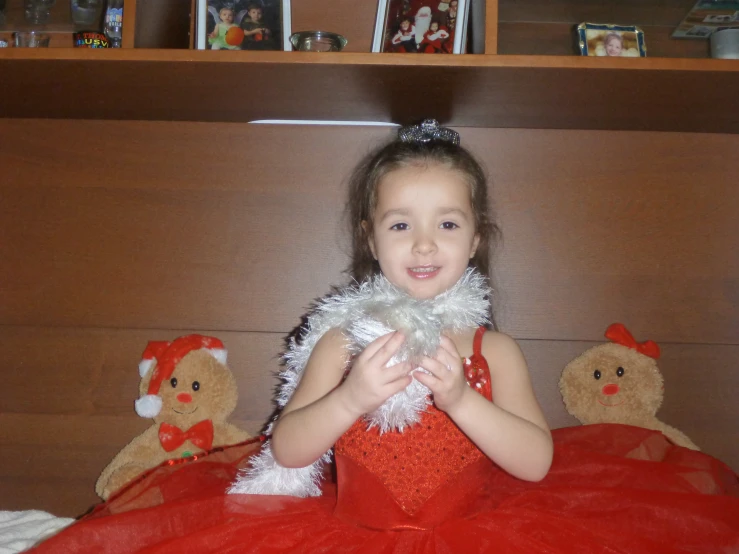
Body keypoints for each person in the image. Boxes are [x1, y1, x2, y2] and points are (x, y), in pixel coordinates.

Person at [29, 121, 739, 554]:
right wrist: (350, 397)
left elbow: (533, 464)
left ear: (475, 239)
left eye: (447, 223)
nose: (424, 243)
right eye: (400, 223)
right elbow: (287, 446)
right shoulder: (343, 340)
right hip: (346, 532)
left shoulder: (493, 351)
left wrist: (462, 399)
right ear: (371, 239)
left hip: (478, 530)